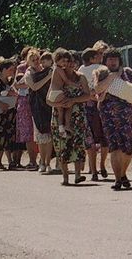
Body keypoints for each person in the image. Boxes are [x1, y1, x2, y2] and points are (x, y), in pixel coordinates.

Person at [95, 48, 132, 190]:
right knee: (114, 147)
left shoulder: (129, 72)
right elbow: (98, 89)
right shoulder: (101, 73)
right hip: (109, 115)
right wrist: (114, 76)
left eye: (115, 59)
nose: (113, 61)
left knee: (128, 148)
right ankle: (118, 179)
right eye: (109, 59)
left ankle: (123, 173)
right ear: (105, 61)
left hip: (128, 115)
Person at [47, 51, 91, 185]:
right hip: (58, 114)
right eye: (68, 62)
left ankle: (77, 175)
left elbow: (87, 95)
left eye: (73, 62)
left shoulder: (81, 77)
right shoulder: (58, 76)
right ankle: (65, 176)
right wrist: (59, 104)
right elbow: (48, 99)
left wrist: (74, 100)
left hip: (77, 116)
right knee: (61, 145)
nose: (70, 65)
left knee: (77, 144)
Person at [78, 47, 109, 181]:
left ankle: (93, 170)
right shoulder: (102, 68)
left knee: (89, 139)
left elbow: (79, 89)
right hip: (101, 104)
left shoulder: (79, 71)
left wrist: (89, 96)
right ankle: (102, 164)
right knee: (104, 137)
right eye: (98, 56)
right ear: (92, 58)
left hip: (87, 105)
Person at [25, 50, 54, 173]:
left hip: (48, 104)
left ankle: (48, 162)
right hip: (37, 107)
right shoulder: (28, 73)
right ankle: (42, 161)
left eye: (38, 59)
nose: (37, 62)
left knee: (50, 135)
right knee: (42, 136)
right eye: (33, 60)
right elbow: (35, 87)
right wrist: (48, 77)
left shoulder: (46, 70)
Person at [14, 46, 37, 169]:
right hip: (24, 101)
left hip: (37, 101)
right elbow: (17, 85)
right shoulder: (21, 68)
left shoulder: (41, 68)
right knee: (28, 131)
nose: (34, 59)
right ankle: (32, 160)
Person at [47, 48, 76, 137]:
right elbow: (66, 80)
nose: (65, 63)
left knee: (61, 112)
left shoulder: (54, 69)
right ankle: (67, 124)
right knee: (69, 105)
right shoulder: (58, 69)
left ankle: (61, 129)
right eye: (63, 61)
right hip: (57, 92)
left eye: (66, 61)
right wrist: (76, 84)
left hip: (53, 93)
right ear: (57, 59)